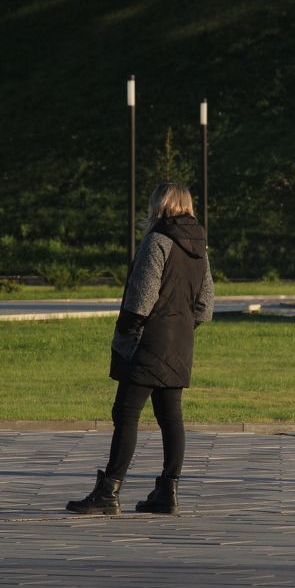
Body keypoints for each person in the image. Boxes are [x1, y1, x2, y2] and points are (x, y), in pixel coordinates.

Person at [67, 183, 214, 515]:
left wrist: (128, 333)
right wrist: (182, 329)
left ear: (158, 205)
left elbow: (142, 298)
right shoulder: (200, 246)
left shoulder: (158, 241)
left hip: (147, 340)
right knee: (170, 416)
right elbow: (205, 305)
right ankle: (168, 491)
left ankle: (109, 491)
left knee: (127, 413)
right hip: (180, 342)